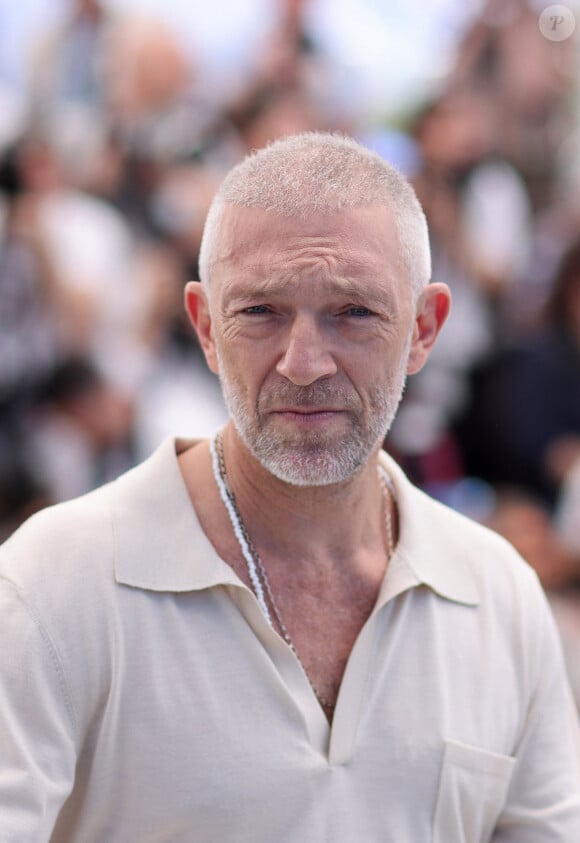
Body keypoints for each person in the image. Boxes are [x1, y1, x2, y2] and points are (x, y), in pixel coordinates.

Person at [0, 132, 578, 842]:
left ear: (424, 329)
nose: (304, 362)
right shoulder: (56, 582)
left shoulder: (500, 598)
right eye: (261, 312)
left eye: (354, 312)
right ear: (206, 327)